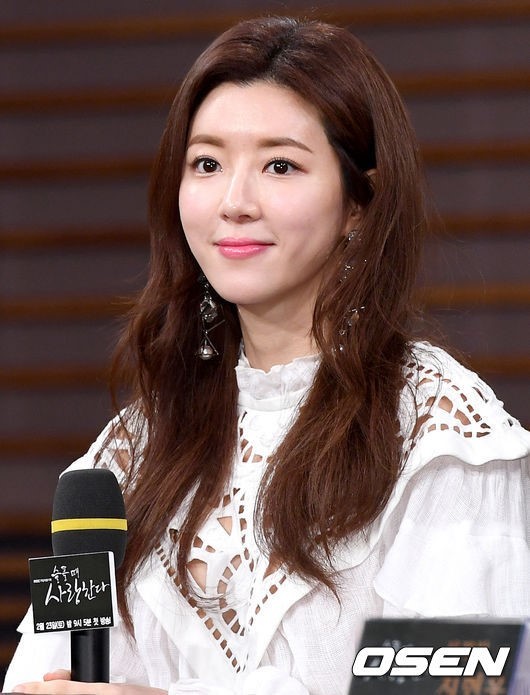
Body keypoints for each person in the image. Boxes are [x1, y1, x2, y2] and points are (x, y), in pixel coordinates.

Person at [4, 15, 530, 695]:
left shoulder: (441, 434)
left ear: (359, 204)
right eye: (207, 164)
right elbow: (42, 676)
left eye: (280, 165)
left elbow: (458, 688)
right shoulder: (125, 457)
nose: (235, 202)